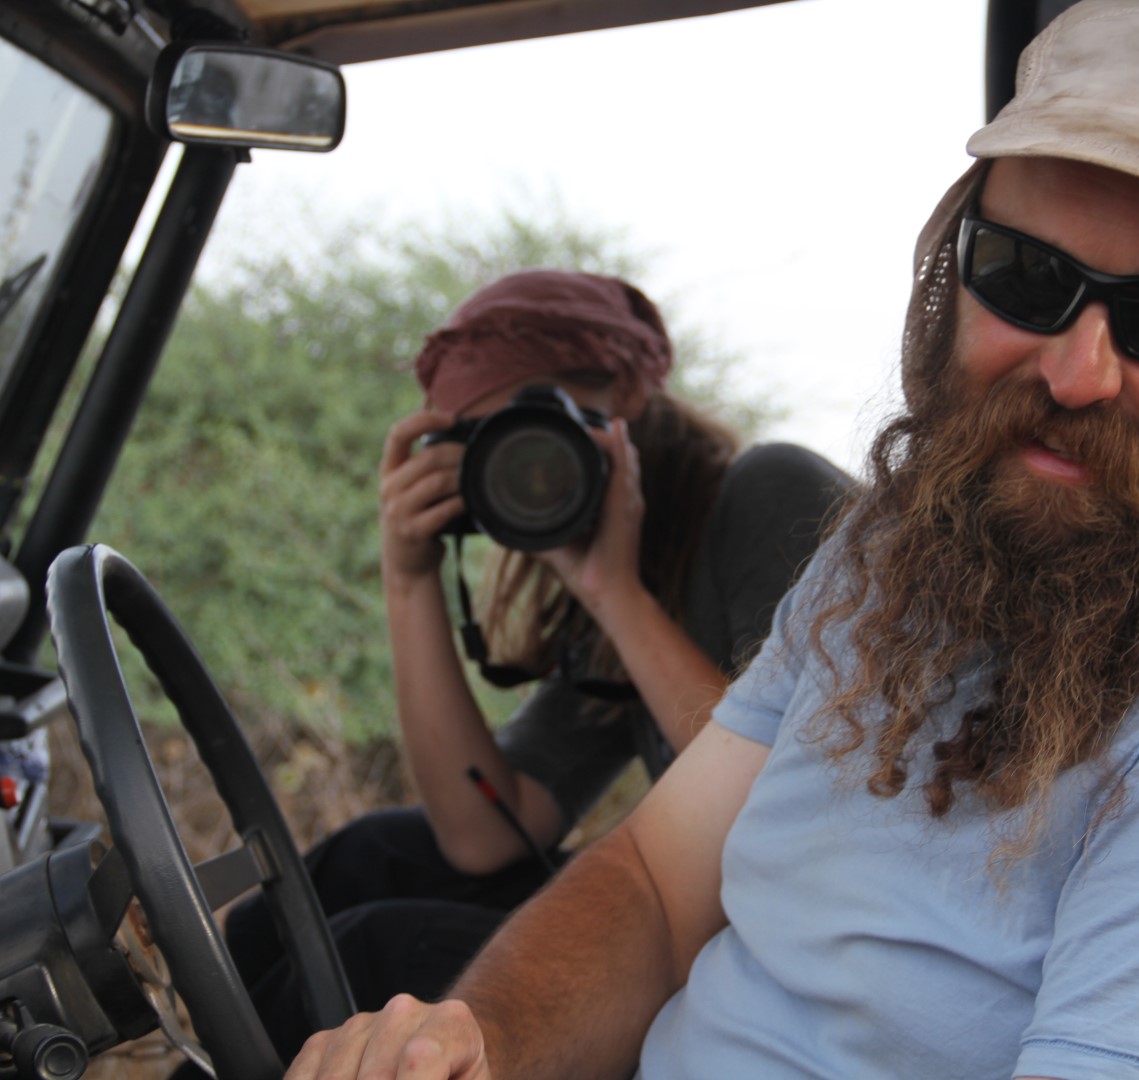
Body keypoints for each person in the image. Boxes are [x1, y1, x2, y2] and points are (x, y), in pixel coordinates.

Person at [288, 3, 1139, 1077]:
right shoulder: (905, 543)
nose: (1076, 374)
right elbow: (658, 886)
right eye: (1027, 278)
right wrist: (476, 1046)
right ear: (954, 272)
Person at [221, 268, 851, 1062]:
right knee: (371, 856)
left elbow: (807, 805)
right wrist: (410, 578)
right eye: (483, 444)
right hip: (705, 917)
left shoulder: (768, 493)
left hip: (787, 959)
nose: (522, 464)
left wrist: (614, 592)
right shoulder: (629, 568)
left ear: (626, 392)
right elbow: (484, 834)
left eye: (533, 425)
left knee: (380, 947)